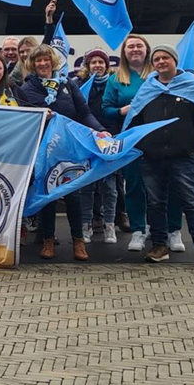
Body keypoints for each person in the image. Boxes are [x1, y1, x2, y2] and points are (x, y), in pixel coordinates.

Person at [124, 45, 194, 268]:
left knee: (191, 202)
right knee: (155, 202)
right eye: (157, 59)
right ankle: (160, 246)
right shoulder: (148, 88)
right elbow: (134, 120)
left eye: (165, 58)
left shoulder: (191, 86)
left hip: (183, 157)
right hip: (152, 157)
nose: (160, 62)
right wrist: (144, 145)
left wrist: (192, 141)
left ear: (174, 61)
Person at [16, 44, 105, 261]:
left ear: (53, 61)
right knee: (48, 195)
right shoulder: (26, 89)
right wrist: (39, 115)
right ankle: (48, 240)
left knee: (73, 194)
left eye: (46, 59)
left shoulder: (67, 84)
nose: (43, 63)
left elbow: (84, 113)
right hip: (44, 150)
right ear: (32, 64)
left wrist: (100, 131)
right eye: (38, 61)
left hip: (68, 149)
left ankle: (78, 241)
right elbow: (23, 119)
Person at [102, 34, 155, 250]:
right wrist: (121, 111)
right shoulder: (116, 78)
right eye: (130, 46)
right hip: (132, 139)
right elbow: (106, 109)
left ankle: (161, 229)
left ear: (146, 49)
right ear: (124, 52)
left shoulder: (156, 74)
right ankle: (138, 230)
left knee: (159, 186)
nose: (134, 49)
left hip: (156, 138)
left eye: (139, 46)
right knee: (133, 186)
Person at [76, 48, 118, 246]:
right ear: (87, 66)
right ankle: (86, 225)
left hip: (110, 139)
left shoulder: (115, 83)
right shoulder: (78, 85)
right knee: (87, 186)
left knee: (109, 187)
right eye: (93, 62)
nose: (97, 66)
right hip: (87, 141)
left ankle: (109, 225)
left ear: (107, 65)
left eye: (101, 62)